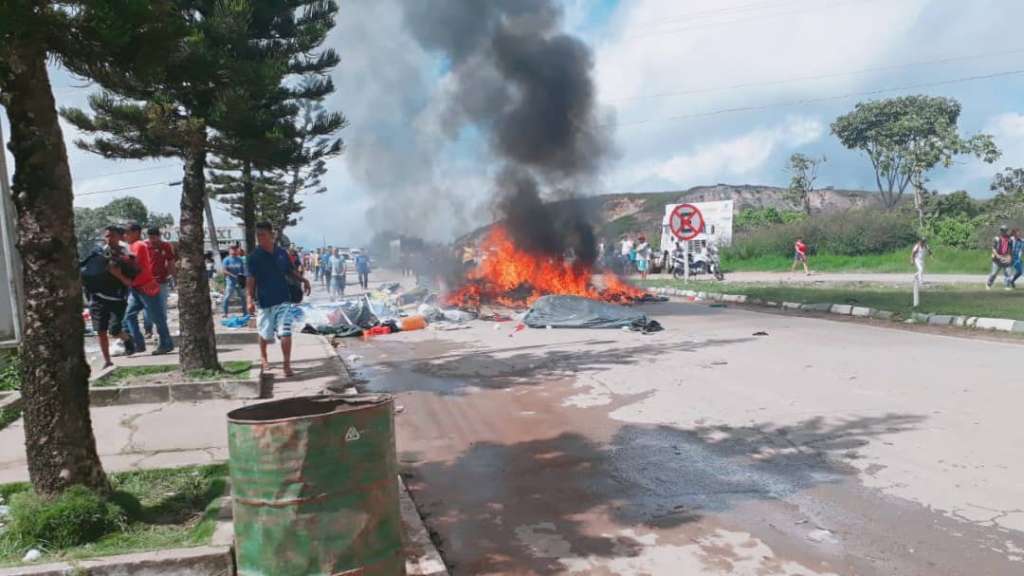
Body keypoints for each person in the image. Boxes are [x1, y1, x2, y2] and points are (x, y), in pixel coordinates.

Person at [247, 221, 310, 376]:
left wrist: (303, 280)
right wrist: (249, 299)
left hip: (283, 299)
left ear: (272, 235)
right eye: (258, 235)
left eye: (263, 235)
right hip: (264, 301)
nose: (260, 238)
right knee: (264, 333)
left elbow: (290, 270)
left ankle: (286, 365)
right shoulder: (254, 257)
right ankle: (264, 357)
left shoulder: (281, 253)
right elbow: (251, 280)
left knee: (285, 332)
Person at [82, 226, 136, 367]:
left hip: (117, 299)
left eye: (112, 235)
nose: (109, 239)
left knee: (114, 330)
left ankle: (127, 338)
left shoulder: (126, 256)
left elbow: (130, 282)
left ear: (120, 237)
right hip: (97, 298)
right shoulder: (97, 253)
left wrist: (117, 274)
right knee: (101, 331)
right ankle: (107, 361)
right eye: (106, 236)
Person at [122, 222, 174, 355]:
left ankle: (166, 344)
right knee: (129, 315)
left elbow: (132, 264)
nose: (125, 235)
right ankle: (139, 344)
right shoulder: (133, 246)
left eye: (127, 233)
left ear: (136, 233)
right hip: (137, 287)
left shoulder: (139, 246)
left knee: (157, 317)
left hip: (146, 286)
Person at [143, 227, 176, 339]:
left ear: (159, 236)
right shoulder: (145, 246)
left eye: (154, 237)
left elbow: (170, 261)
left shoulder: (165, 246)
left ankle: (162, 330)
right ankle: (148, 329)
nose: (152, 240)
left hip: (161, 280)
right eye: (150, 237)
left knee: (162, 307)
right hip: (147, 281)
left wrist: (173, 276)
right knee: (147, 307)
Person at [222, 244, 247, 315]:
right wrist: (233, 275)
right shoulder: (226, 260)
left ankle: (245, 312)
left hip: (239, 282)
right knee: (227, 297)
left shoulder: (240, 259)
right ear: (229, 250)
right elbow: (224, 270)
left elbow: (243, 270)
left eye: (235, 249)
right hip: (230, 282)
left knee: (243, 297)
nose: (234, 250)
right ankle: (225, 313)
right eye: (232, 249)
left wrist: (243, 278)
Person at [987, 224, 1014, 290]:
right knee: (994, 273)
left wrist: (1009, 257)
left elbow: (1010, 249)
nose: (1004, 232)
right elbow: (993, 249)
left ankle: (1007, 286)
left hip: (1005, 257)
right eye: (1002, 230)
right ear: (1000, 231)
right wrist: (998, 256)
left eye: (1005, 230)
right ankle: (989, 284)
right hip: (997, 258)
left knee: (1008, 273)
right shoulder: (996, 238)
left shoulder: (1010, 239)